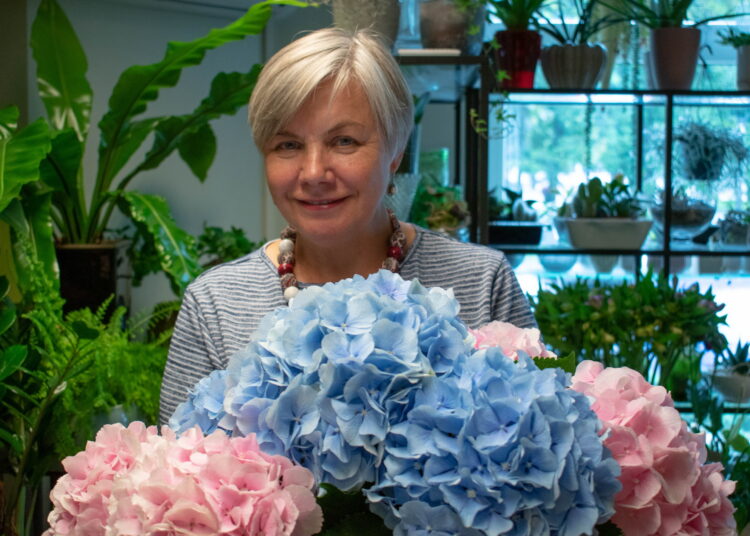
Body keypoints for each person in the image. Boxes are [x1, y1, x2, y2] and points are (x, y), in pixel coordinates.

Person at [159, 27, 537, 424]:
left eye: (344, 142)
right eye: (288, 145)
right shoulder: (216, 303)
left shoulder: (481, 282)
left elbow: (534, 440)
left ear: (395, 151)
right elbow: (177, 475)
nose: (313, 173)